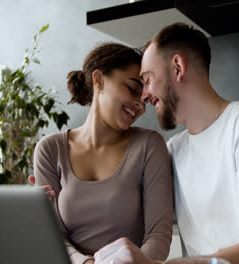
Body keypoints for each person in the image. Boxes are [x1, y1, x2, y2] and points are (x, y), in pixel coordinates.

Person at [94, 23, 239, 264]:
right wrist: (54, 196)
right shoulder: (173, 150)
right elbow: (117, 203)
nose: (144, 96)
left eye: (148, 79)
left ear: (178, 67)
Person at [31, 42, 173, 264]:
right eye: (133, 88)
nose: (140, 105)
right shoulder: (50, 149)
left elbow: (158, 234)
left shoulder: (148, 146)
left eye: (144, 97)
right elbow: (53, 235)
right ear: (98, 80)